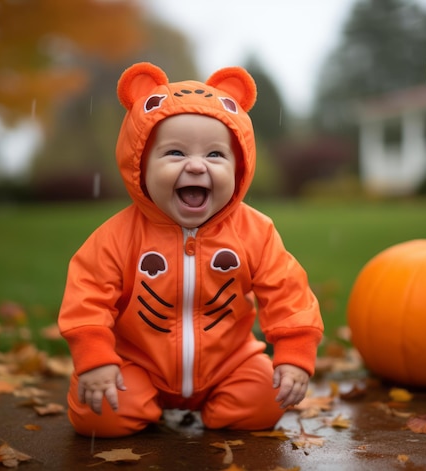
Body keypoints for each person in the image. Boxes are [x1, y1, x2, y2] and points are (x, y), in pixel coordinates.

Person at [58, 62, 324, 438]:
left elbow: (288, 292)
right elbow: (86, 295)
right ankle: (141, 406)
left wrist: (295, 354)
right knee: (98, 413)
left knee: (266, 399)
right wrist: (96, 360)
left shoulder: (256, 232)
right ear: (140, 165)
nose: (197, 166)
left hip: (229, 362)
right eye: (175, 153)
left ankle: (220, 410)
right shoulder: (117, 235)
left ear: (240, 166)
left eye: (216, 155)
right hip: (137, 361)